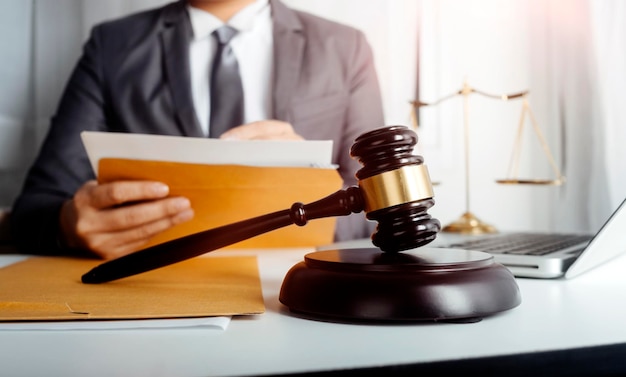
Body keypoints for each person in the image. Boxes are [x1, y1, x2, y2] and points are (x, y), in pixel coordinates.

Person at [11, 0, 385, 260]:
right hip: (154, 288)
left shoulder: (345, 47)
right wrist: (70, 225)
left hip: (299, 282)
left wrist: (311, 188)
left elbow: (383, 202)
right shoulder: (111, 47)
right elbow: (34, 208)